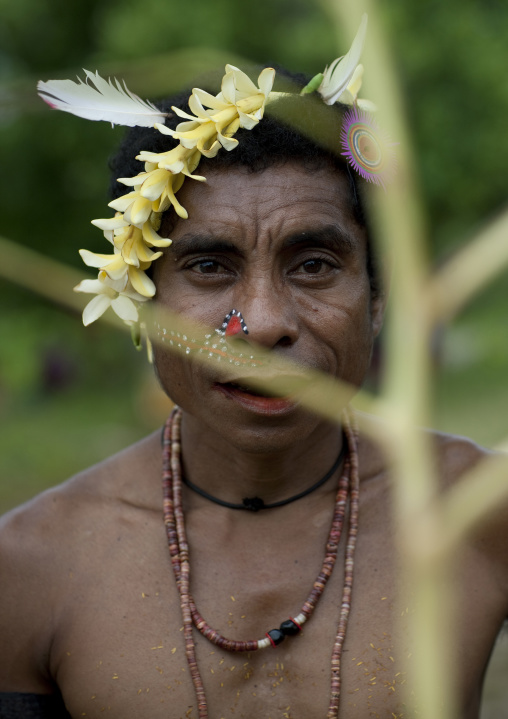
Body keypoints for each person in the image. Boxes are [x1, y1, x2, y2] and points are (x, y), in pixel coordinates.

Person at [1, 33, 507, 719]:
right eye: (210, 267)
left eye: (314, 264)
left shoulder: (476, 514)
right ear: (140, 305)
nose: (265, 322)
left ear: (379, 297)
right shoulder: (31, 565)